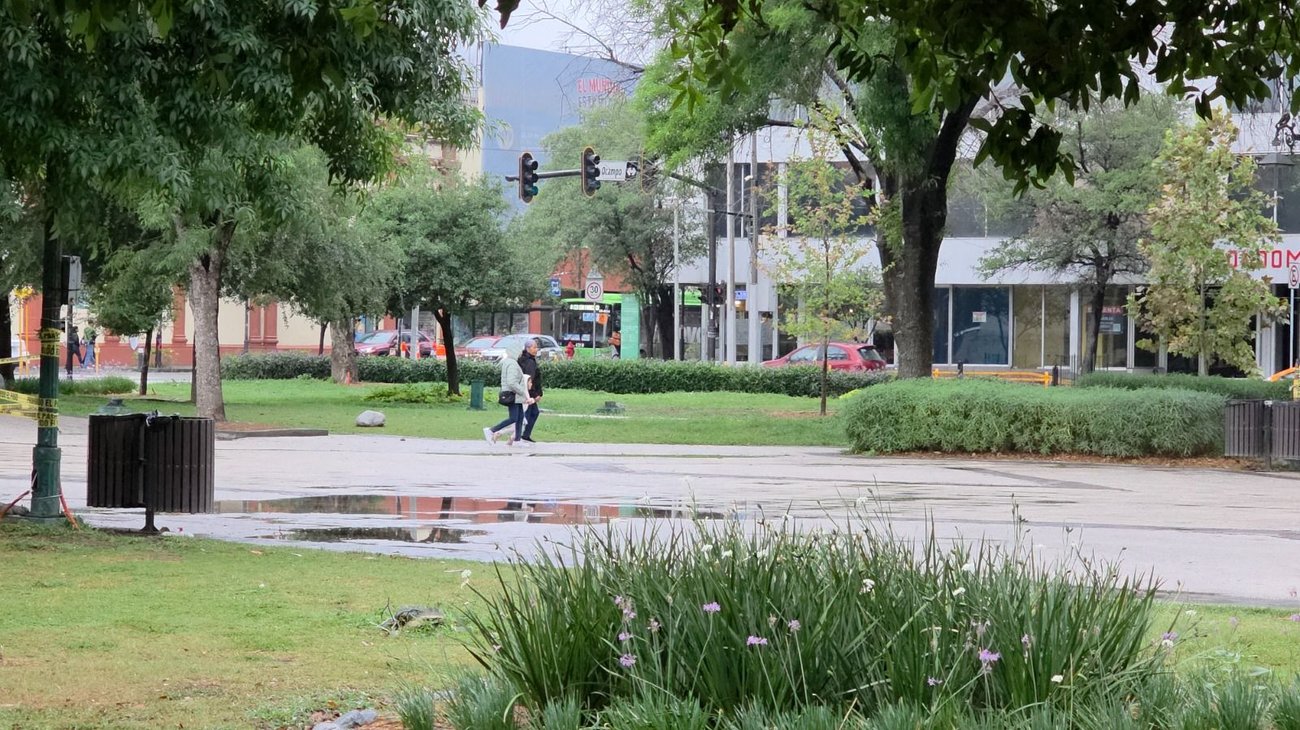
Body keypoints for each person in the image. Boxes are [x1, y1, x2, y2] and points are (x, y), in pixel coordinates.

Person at [483, 344, 532, 447]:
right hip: (513, 394)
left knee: (520, 417)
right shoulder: (512, 364)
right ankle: (491, 430)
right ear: (514, 352)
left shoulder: (509, 362)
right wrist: (522, 391)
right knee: (514, 418)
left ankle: (517, 440)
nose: (520, 354)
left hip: (515, 395)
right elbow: (511, 382)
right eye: (519, 352)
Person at [516, 338, 544, 443]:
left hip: (527, 391)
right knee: (527, 414)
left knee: (534, 412)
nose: (536, 349)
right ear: (528, 348)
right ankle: (519, 436)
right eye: (534, 347)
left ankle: (525, 435)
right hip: (528, 392)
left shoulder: (526, 359)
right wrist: (535, 394)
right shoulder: (529, 362)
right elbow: (529, 379)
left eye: (537, 347)